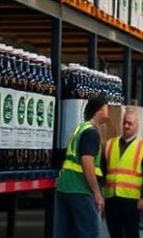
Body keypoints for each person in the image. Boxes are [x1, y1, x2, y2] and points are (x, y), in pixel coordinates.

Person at [55, 96, 108, 238]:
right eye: (106, 110)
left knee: (66, 233)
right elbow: (87, 163)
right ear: (99, 111)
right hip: (80, 188)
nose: (107, 114)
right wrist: (97, 192)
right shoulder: (91, 133)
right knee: (89, 232)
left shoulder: (80, 128)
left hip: (65, 187)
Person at [103, 109, 143, 238]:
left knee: (132, 233)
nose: (126, 126)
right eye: (125, 122)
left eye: (130, 123)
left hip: (131, 199)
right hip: (111, 197)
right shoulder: (110, 144)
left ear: (137, 126)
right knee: (114, 233)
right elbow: (103, 171)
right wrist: (100, 194)